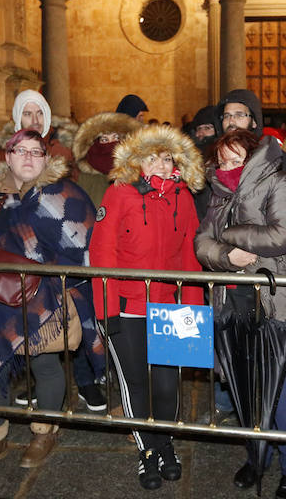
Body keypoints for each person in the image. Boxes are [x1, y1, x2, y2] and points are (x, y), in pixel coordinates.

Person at [0, 129, 96, 476]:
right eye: (21, 151)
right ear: (8, 156)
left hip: (44, 295)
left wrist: (60, 282)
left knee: (45, 366)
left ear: (47, 158)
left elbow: (85, 245)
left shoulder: (64, 194)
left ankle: (44, 432)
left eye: (36, 151)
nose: (29, 157)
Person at [195, 129, 286, 499]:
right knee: (249, 390)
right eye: (223, 161)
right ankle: (258, 455)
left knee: (283, 392)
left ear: (253, 156)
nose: (228, 167)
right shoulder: (219, 193)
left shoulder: (280, 181)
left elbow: (281, 235)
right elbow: (201, 242)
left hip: (279, 299)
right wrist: (226, 256)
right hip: (234, 300)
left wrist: (230, 234)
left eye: (236, 159)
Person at [90, 124, 205, 491]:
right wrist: (106, 311)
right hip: (127, 307)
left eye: (167, 156)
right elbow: (102, 255)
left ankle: (165, 442)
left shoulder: (183, 197)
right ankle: (146, 451)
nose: (159, 163)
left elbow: (190, 257)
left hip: (170, 305)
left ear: (177, 162)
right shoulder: (119, 193)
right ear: (138, 160)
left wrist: (191, 310)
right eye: (152, 156)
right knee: (136, 382)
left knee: (168, 385)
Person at [71, 112, 142, 207]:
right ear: (94, 144)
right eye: (104, 140)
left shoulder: (136, 174)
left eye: (116, 138)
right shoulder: (86, 178)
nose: (111, 144)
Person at [0, 89, 77, 168]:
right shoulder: (4, 155)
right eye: (27, 114)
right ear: (18, 119)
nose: (35, 121)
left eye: (40, 113)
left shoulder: (65, 149)